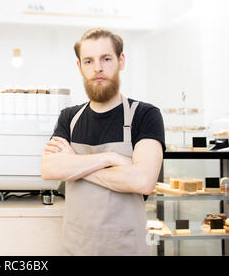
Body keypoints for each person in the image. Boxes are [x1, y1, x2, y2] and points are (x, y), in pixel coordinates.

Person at [41, 28, 165, 256]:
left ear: (121, 61)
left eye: (106, 59)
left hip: (127, 248)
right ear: (80, 67)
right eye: (88, 61)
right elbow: (49, 168)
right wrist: (110, 159)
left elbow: (144, 181)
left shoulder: (145, 115)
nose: (98, 67)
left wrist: (75, 165)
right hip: (75, 247)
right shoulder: (69, 117)